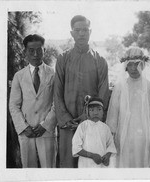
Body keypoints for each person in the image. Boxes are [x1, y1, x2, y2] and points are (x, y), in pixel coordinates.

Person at [54, 15, 110, 168]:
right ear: (72, 33)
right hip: (68, 123)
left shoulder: (100, 60)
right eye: (77, 30)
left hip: (91, 121)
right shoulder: (63, 59)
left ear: (90, 32)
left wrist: (86, 116)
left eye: (85, 30)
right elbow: (57, 91)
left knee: (91, 162)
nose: (81, 34)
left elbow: (103, 92)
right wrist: (65, 118)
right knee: (68, 162)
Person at [106, 47, 150, 168]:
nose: (134, 68)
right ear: (125, 66)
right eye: (130, 65)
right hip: (124, 134)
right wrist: (112, 138)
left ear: (143, 65)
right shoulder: (119, 87)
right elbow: (113, 113)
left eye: (137, 64)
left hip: (146, 135)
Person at [9, 34, 57, 168]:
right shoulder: (19, 76)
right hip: (26, 131)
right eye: (31, 50)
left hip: (46, 130)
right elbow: (14, 105)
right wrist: (24, 127)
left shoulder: (53, 74)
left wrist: (46, 125)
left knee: (49, 169)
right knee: (28, 169)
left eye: (39, 50)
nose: (35, 54)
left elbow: (57, 103)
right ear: (25, 52)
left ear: (44, 50)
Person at [72, 96, 117, 168]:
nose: (95, 113)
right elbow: (76, 148)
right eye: (92, 110)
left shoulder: (105, 128)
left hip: (101, 165)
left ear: (103, 112)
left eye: (99, 109)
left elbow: (111, 145)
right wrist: (92, 156)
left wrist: (107, 156)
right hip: (86, 164)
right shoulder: (83, 126)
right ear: (87, 112)